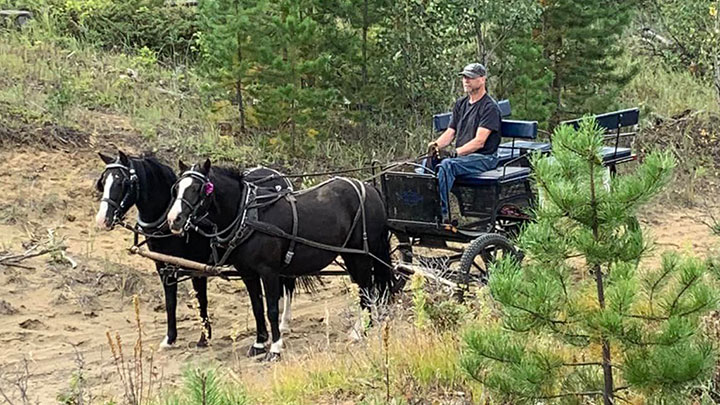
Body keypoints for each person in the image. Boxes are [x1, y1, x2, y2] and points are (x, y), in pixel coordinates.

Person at [428, 63, 502, 224]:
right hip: (463, 158)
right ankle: (422, 209)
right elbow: (450, 133)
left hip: (484, 158)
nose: (465, 80)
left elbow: (479, 142)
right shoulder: (460, 104)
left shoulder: (489, 107)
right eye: (464, 77)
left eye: (470, 77)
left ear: (482, 80)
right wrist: (435, 146)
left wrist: (455, 153)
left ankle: (442, 215)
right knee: (426, 165)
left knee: (447, 165)